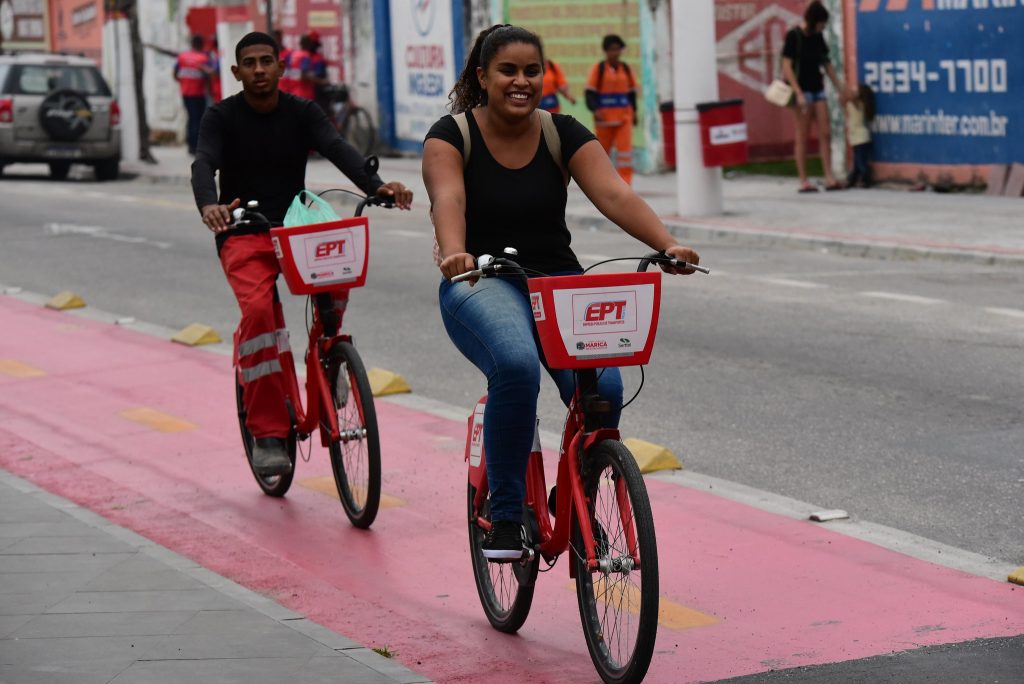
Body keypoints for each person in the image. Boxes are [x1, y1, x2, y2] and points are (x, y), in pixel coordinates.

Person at [422, 25, 700, 560]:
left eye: (532, 71)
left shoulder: (562, 131)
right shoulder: (450, 135)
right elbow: (447, 198)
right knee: (517, 366)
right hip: (480, 279)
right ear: (483, 76)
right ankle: (505, 515)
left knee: (606, 391)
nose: (522, 81)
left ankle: (575, 492)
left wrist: (667, 244)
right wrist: (454, 251)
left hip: (557, 280)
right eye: (508, 71)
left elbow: (615, 193)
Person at [191, 32, 412, 475]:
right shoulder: (221, 116)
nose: (258, 70)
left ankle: (330, 360)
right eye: (249, 63)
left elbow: (337, 149)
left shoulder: (302, 111)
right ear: (236, 72)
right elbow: (203, 163)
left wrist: (378, 187)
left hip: (296, 228)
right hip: (243, 230)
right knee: (258, 318)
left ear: (280, 67)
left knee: (339, 272)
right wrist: (209, 204)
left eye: (266, 61)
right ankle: (269, 433)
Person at [781, 0, 845, 193]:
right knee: (802, 134)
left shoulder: (818, 37)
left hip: (818, 88)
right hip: (802, 90)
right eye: (821, 23)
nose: (823, 27)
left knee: (825, 132)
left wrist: (840, 87)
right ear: (814, 20)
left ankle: (828, 176)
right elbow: (787, 67)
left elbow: (827, 64)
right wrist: (798, 93)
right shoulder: (794, 36)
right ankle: (803, 180)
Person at [584, 34, 637, 185]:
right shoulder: (598, 69)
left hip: (623, 118)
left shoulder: (626, 69)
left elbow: (631, 92)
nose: (615, 53)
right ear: (605, 51)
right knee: (602, 154)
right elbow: (589, 93)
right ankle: (601, 182)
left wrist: (635, 112)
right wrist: (595, 110)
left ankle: (625, 184)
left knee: (625, 154)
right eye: (612, 50)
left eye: (618, 49)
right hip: (604, 120)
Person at [175, 34, 213, 155]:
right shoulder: (203, 59)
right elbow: (209, 77)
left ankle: (190, 145)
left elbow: (175, 72)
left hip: (185, 93)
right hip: (198, 93)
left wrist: (182, 82)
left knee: (191, 118)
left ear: (192, 44)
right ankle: (195, 146)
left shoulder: (182, 57)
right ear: (201, 45)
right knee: (198, 119)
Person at [845, 83, 875, 188]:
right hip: (856, 137)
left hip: (860, 137)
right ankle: (854, 178)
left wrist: (843, 87)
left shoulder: (858, 104)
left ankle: (867, 178)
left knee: (860, 161)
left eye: (855, 90)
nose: (852, 91)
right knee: (857, 161)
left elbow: (848, 96)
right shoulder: (854, 103)